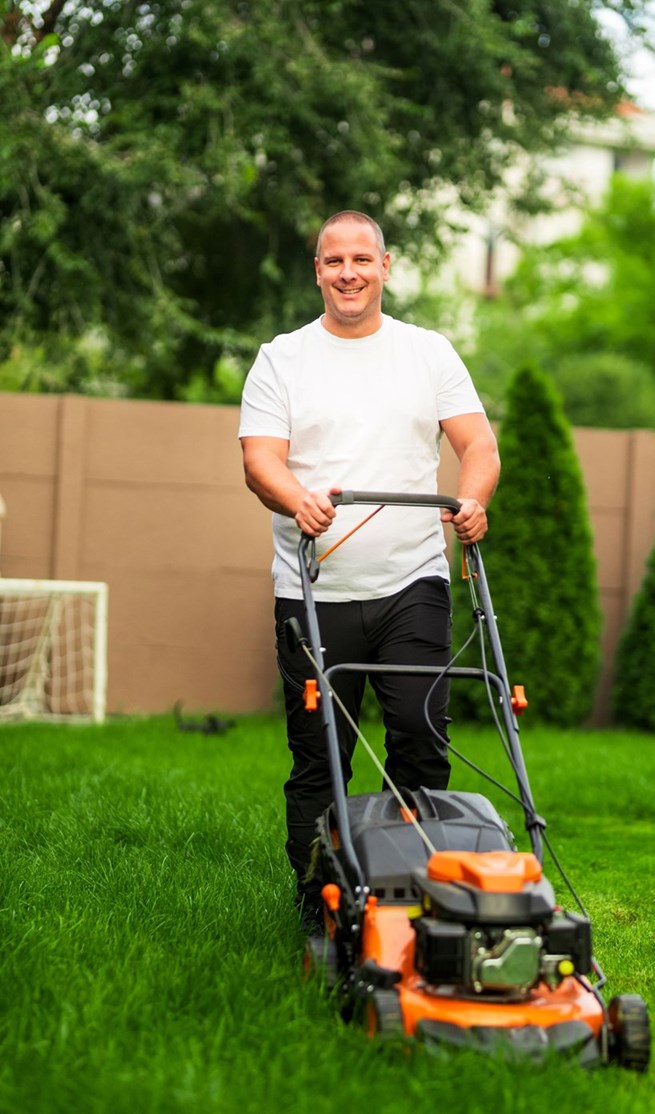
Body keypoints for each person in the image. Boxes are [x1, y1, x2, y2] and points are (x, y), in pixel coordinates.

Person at [238, 210, 500, 927]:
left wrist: (471, 501)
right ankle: (320, 905)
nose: (347, 273)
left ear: (385, 266)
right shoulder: (282, 358)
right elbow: (261, 459)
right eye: (333, 262)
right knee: (321, 760)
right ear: (317, 272)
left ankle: (424, 900)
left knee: (419, 737)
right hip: (313, 591)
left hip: (413, 582)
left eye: (361, 259)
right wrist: (297, 499)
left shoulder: (429, 353)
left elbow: (478, 446)